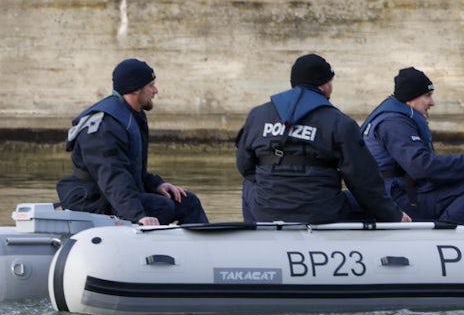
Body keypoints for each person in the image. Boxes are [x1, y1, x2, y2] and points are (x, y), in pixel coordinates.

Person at [236, 53, 410, 225]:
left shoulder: (257, 115)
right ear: (324, 85)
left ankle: (255, 235)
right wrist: (393, 216)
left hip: (266, 211)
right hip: (321, 213)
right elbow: (363, 181)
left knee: (250, 186)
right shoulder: (340, 122)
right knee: (364, 199)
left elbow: (245, 166)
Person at [56, 59, 209, 227]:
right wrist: (138, 215)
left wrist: (157, 184)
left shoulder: (132, 115)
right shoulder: (104, 126)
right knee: (162, 207)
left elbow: (131, 168)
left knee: (187, 201)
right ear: (136, 90)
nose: (155, 91)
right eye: (151, 85)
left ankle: (201, 248)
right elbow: (112, 177)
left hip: (115, 195)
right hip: (91, 200)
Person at [361, 66, 464, 225]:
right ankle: (440, 236)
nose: (432, 103)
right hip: (396, 199)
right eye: (427, 96)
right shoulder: (394, 124)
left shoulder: (398, 119)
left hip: (406, 193)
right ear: (411, 98)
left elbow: (426, 169)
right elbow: (420, 167)